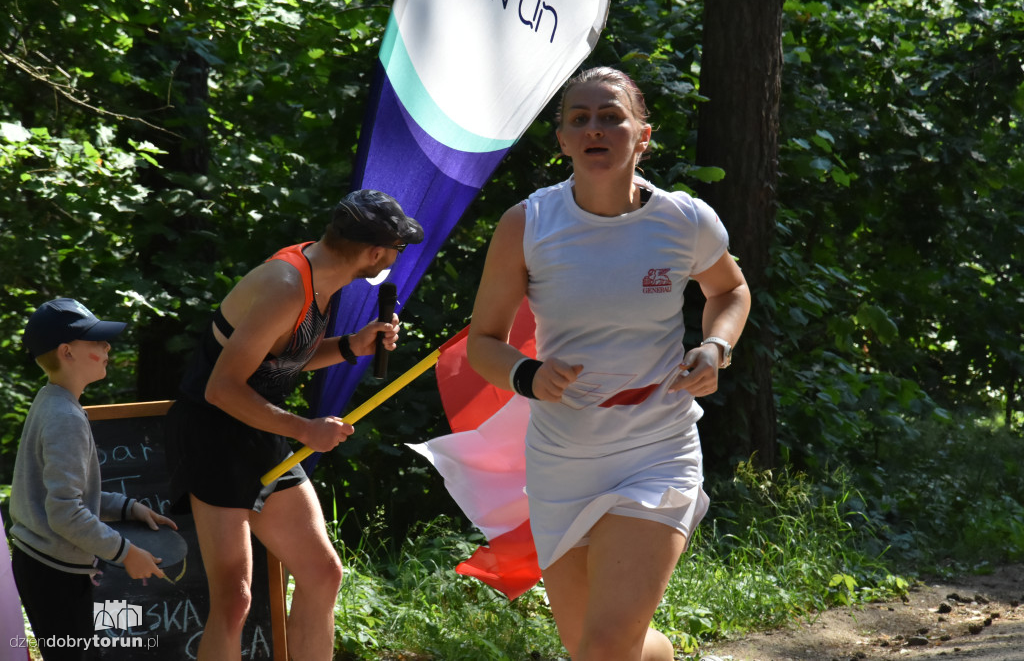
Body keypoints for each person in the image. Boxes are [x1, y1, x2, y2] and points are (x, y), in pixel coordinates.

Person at [466, 66, 751, 661]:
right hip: (561, 459)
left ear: (641, 136)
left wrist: (715, 347)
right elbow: (484, 342)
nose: (595, 128)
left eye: (610, 116)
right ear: (563, 139)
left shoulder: (684, 219)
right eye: (579, 119)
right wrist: (529, 375)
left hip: (656, 447)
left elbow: (730, 291)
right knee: (594, 648)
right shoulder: (529, 224)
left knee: (602, 650)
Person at [164, 189, 423, 661]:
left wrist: (351, 346)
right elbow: (220, 388)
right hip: (212, 435)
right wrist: (305, 429)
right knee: (235, 600)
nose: (394, 259)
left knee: (323, 573)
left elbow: (281, 359)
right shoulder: (287, 285)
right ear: (374, 253)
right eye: (395, 250)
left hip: (258, 429)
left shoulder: (326, 277)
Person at [10, 298, 178, 661]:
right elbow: (65, 512)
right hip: (53, 572)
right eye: (97, 341)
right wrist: (126, 553)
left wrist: (127, 507)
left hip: (44, 562)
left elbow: (61, 493)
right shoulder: (64, 417)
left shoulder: (52, 401)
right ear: (67, 352)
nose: (107, 348)